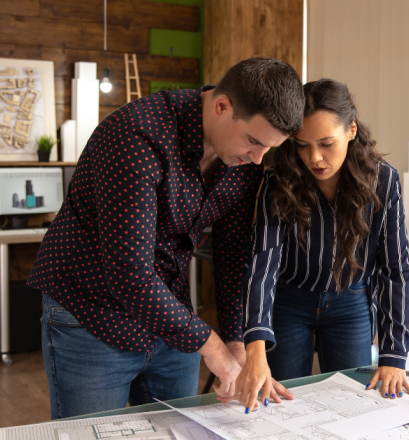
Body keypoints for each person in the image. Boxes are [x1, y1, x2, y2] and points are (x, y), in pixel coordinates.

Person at [26, 57, 306, 419]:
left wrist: (236, 341)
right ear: (222, 106)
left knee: (181, 429)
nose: (257, 159)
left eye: (268, 148)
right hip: (89, 314)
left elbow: (233, 253)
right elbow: (130, 273)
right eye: (253, 141)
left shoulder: (243, 161)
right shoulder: (136, 135)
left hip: (169, 317)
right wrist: (212, 347)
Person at [234, 78, 409, 413]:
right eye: (302, 145)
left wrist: (394, 355)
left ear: (352, 130)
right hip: (289, 303)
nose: (314, 158)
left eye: (326, 143)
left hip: (351, 303)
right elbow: (263, 263)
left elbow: (394, 268)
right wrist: (254, 347)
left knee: (352, 407)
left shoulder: (384, 180)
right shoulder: (278, 180)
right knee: (283, 407)